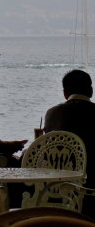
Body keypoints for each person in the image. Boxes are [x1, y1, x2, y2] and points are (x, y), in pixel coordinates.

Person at [44, 69, 95, 218]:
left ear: (65, 93)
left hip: (56, 185)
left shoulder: (51, 113)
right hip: (91, 183)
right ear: (91, 91)